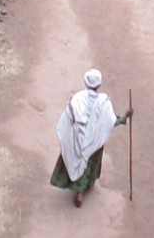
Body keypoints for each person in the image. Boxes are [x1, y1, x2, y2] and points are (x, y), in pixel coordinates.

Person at [51, 67, 127, 205]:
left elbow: (66, 119)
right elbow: (111, 121)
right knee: (87, 162)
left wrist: (70, 135)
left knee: (75, 160)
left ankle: (72, 185)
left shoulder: (77, 98)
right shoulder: (104, 102)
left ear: (86, 83)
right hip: (93, 142)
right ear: (99, 85)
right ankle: (80, 192)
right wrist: (125, 117)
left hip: (76, 139)